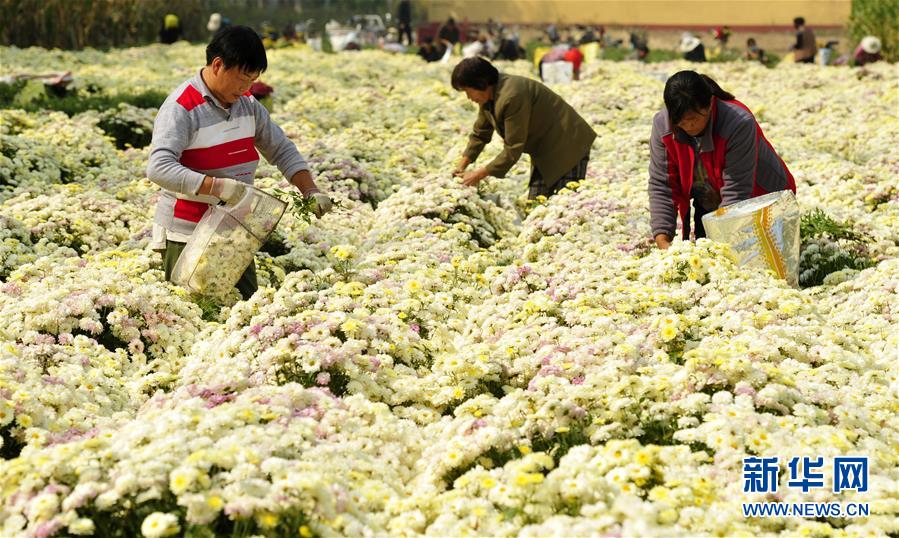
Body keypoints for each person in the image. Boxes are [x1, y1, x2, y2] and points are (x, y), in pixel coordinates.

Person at [146, 26, 333, 299]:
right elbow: (159, 167)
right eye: (242, 79)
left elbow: (281, 148)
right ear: (218, 65)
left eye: (252, 81)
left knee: (245, 311)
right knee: (197, 313)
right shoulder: (181, 107)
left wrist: (310, 190)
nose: (247, 88)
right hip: (187, 235)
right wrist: (217, 187)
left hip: (236, 230)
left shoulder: (247, 104)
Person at [648, 71, 796, 249]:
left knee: (759, 262)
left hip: (762, 200)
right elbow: (662, 184)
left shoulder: (738, 123)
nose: (688, 126)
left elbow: (737, 191)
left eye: (693, 119)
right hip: (710, 198)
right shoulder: (664, 125)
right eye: (680, 121)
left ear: (709, 105)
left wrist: (721, 249)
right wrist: (663, 239)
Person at [450, 57, 596, 200]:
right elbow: (480, 134)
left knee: (566, 203)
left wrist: (478, 174)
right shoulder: (489, 97)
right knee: (536, 204)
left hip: (569, 144)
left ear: (481, 84)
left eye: (467, 91)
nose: (468, 97)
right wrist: (461, 166)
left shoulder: (512, 95)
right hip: (545, 150)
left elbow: (514, 147)